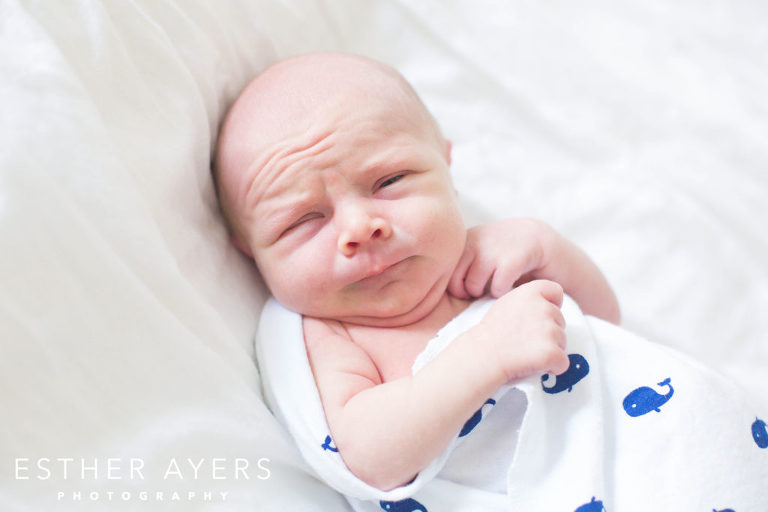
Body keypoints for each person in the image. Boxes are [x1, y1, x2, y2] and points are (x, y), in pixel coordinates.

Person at [213, 52, 620, 491]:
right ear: (252, 253)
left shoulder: (494, 258)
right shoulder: (327, 335)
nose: (359, 228)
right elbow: (371, 458)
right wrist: (485, 355)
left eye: (389, 181)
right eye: (303, 221)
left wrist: (547, 249)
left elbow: (607, 324)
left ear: (446, 167)